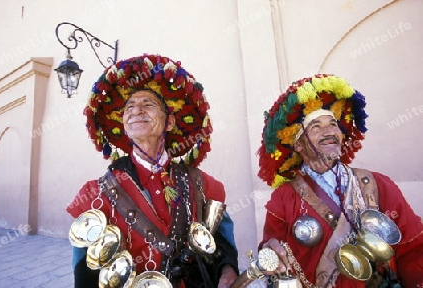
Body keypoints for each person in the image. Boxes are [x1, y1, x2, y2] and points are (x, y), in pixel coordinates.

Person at [67, 54, 239, 288]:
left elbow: (220, 244)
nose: (136, 111)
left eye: (148, 104)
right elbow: (85, 271)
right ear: (124, 126)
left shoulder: (202, 184)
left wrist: (228, 271)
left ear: (168, 123)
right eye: (129, 107)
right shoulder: (97, 194)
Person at [257, 74, 423, 287]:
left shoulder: (378, 184)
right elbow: (271, 253)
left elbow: (414, 247)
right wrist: (269, 251)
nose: (329, 132)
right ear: (297, 144)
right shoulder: (283, 198)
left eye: (333, 124)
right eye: (316, 126)